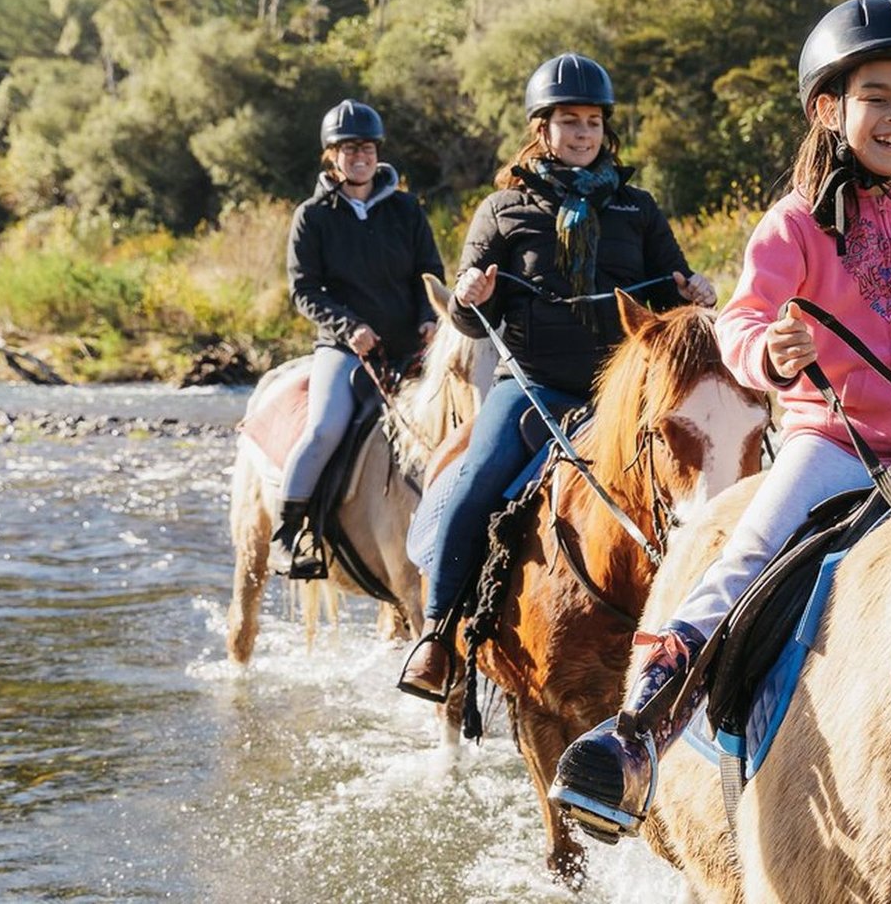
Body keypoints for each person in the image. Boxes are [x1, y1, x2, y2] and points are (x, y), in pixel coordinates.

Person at [550, 0, 891, 837]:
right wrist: (769, 353)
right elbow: (741, 318)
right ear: (830, 109)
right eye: (880, 97)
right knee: (747, 557)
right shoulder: (792, 224)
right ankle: (640, 736)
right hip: (836, 443)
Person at [396, 53, 716, 701]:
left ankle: (712, 628)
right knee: (475, 483)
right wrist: (470, 293)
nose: (583, 134)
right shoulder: (501, 209)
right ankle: (436, 637)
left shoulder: (638, 209)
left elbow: (678, 293)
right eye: (569, 121)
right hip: (533, 387)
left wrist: (697, 289)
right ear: (541, 128)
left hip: (622, 394)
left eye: (593, 122)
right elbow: (463, 314)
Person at [275, 99, 446, 579]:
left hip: (409, 345)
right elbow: (303, 289)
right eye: (349, 149)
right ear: (332, 156)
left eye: (367, 148)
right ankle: (289, 534)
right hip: (344, 348)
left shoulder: (406, 209)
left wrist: (427, 320)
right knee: (326, 427)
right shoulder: (313, 216)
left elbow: (427, 272)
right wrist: (349, 327)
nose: (360, 157)